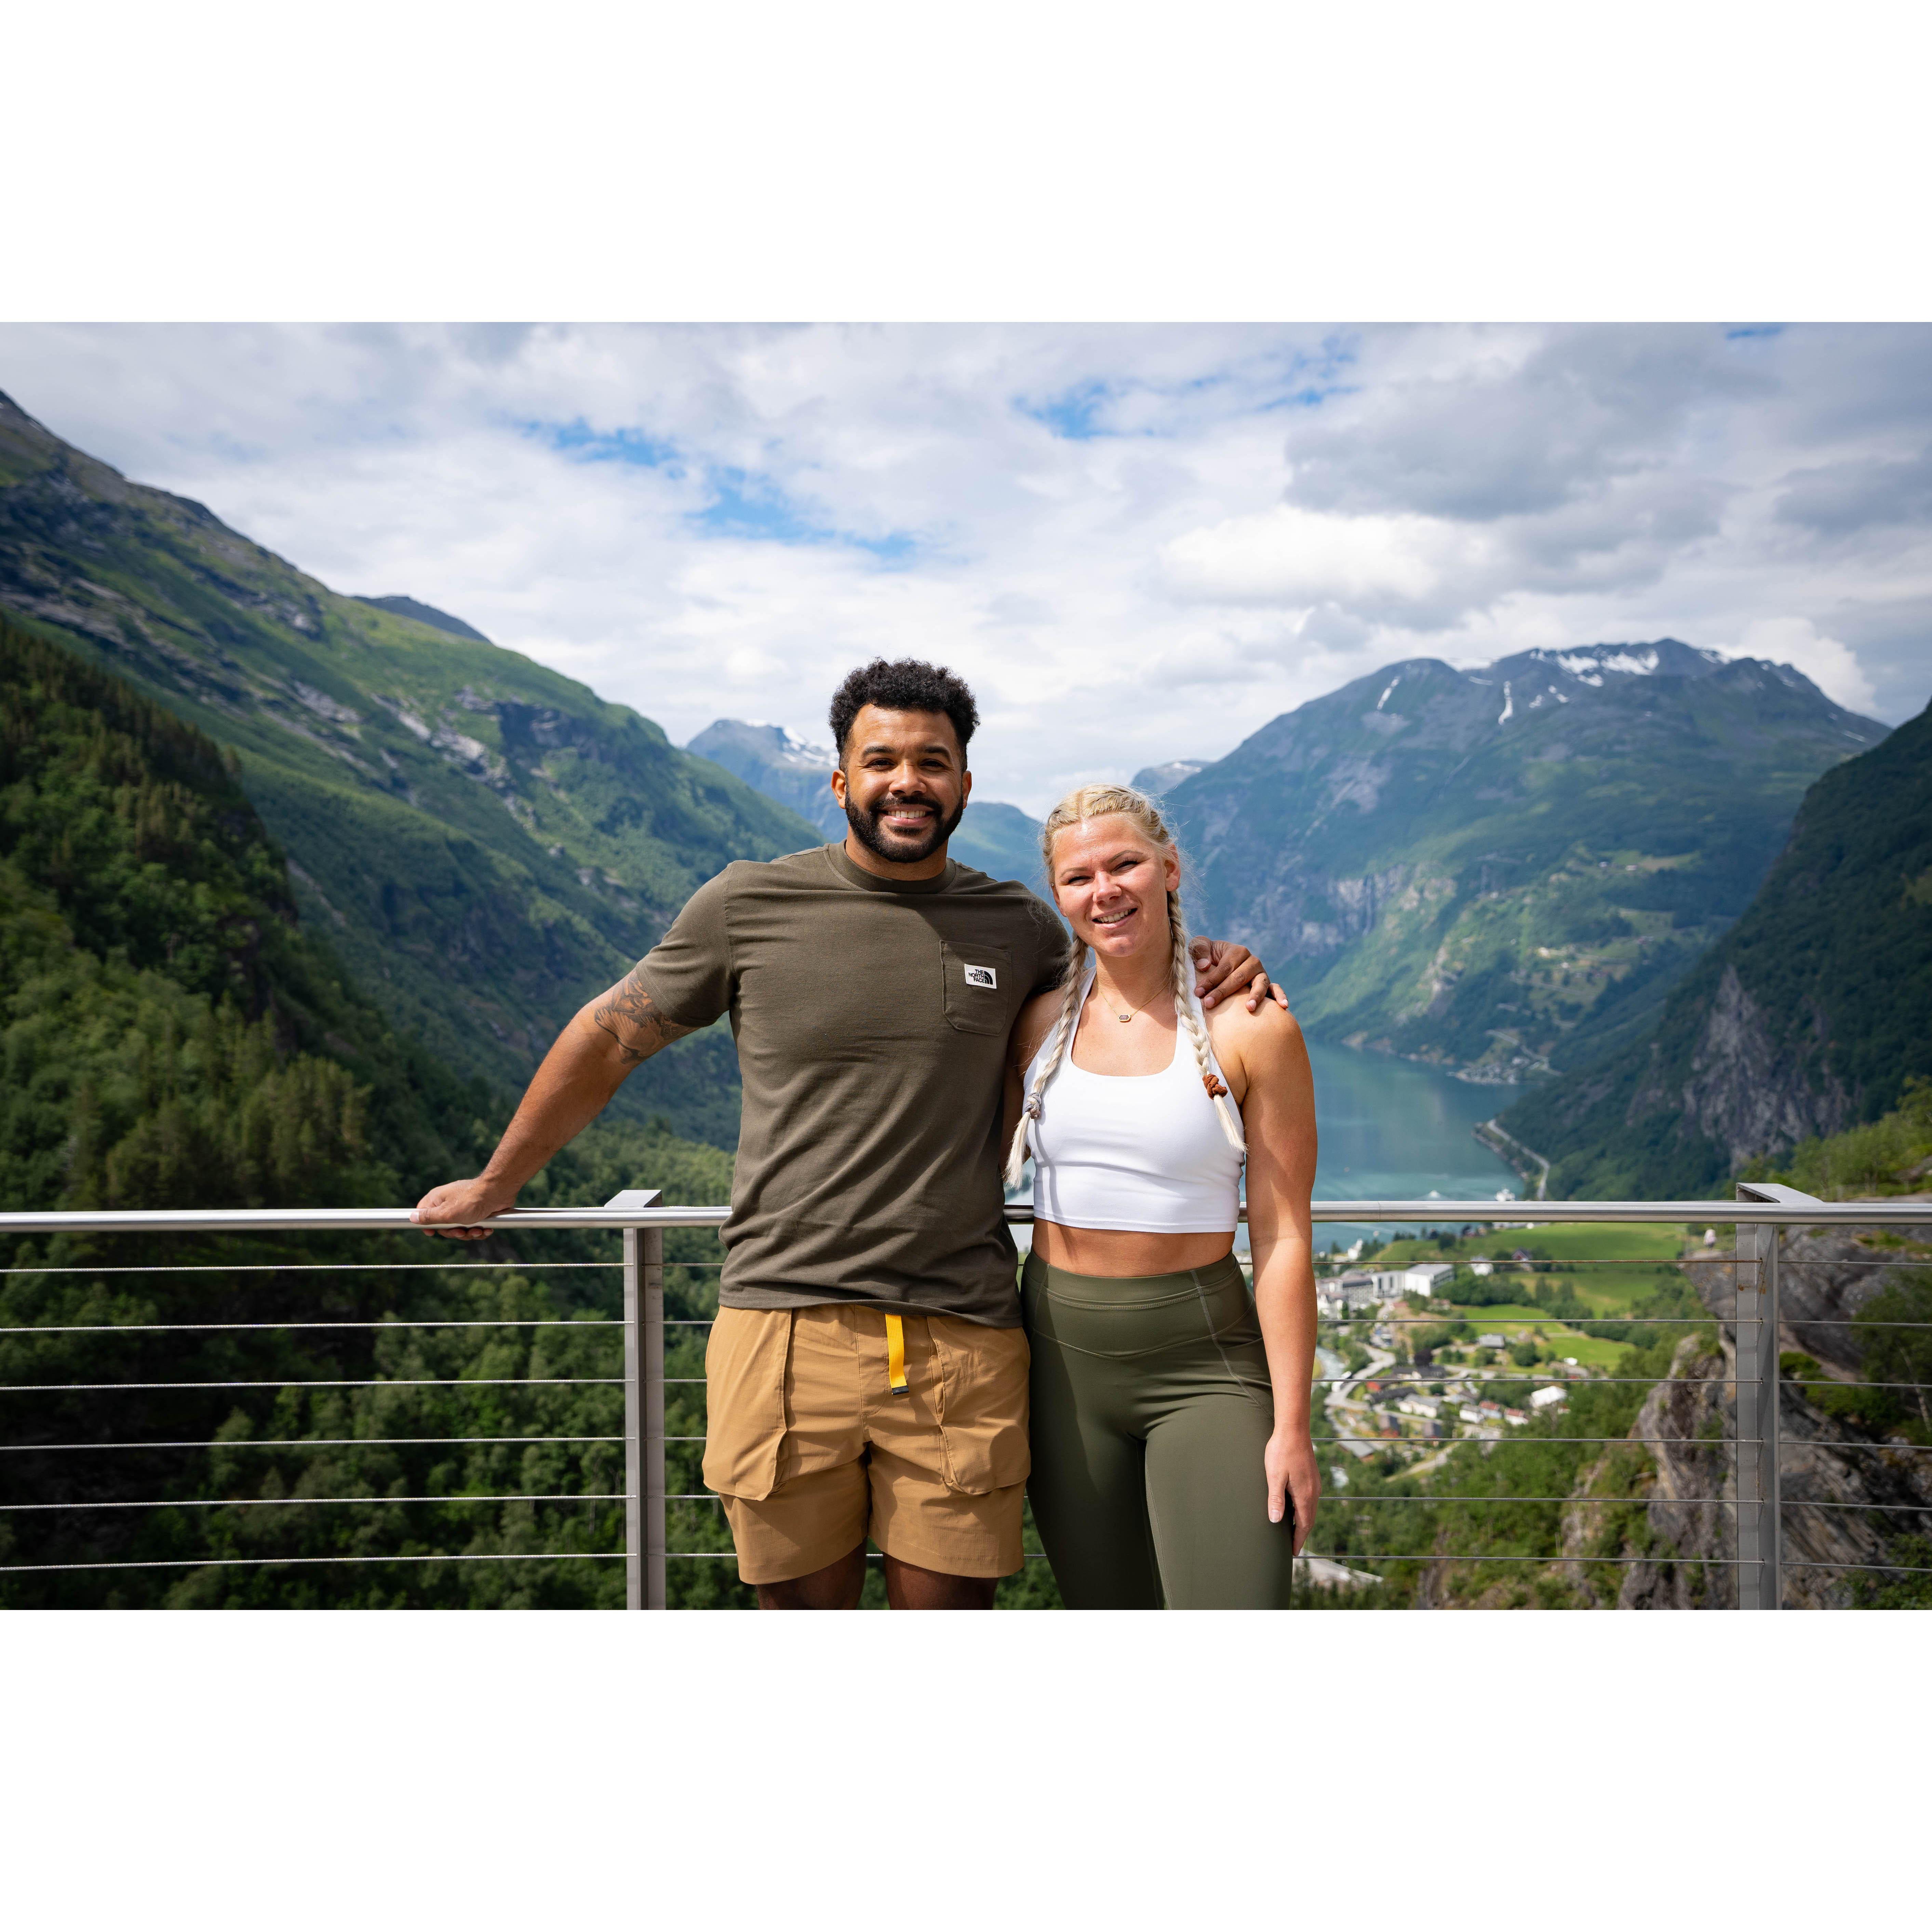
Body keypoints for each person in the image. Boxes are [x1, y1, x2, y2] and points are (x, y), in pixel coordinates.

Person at [412, 659, 1279, 1610]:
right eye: (882, 760)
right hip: (781, 1326)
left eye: (932, 761)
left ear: (962, 784)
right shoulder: (746, 904)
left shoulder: (1018, 926)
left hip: (961, 1334)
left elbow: (1124, 969)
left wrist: (1212, 960)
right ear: (840, 781)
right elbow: (608, 1035)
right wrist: (500, 1181)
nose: (907, 780)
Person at [1004, 784, 1319, 1608]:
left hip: (1202, 1365)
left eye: (1126, 865)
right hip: (1058, 1366)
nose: (1104, 890)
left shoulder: (1252, 1028)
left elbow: (1284, 1240)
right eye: (1079, 878)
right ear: (1058, 897)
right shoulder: (1037, 1026)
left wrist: (1294, 1427)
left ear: (1170, 868)